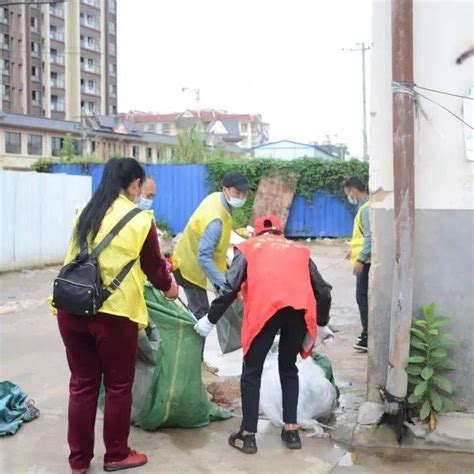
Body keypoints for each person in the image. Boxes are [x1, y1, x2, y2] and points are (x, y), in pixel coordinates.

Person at [56, 158, 179, 474]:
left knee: (82, 384)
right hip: (113, 313)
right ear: (134, 183)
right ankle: (116, 454)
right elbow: (154, 268)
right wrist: (170, 287)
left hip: (71, 307)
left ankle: (79, 461)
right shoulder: (139, 219)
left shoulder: (87, 212)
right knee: (118, 385)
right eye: (141, 186)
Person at [194, 215, 333, 454]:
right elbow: (323, 290)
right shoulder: (299, 250)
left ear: (256, 233)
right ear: (281, 232)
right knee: (288, 367)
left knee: (251, 371)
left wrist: (210, 319)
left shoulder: (248, 248)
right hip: (297, 312)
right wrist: (321, 322)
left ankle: (247, 436)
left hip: (265, 311)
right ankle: (291, 431)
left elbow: (230, 287)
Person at [172, 171, 250, 372]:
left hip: (197, 263)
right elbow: (204, 256)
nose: (240, 197)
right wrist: (224, 283)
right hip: (190, 268)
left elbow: (216, 246)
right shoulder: (215, 218)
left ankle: (196, 363)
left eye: (244, 193)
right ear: (225, 189)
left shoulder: (218, 200)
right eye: (237, 192)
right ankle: (195, 366)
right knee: (202, 318)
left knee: (210, 311)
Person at [344, 176, 371, 352]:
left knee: (362, 299)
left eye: (348, 194)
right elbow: (361, 236)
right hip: (364, 260)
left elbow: (370, 237)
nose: (349, 197)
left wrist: (360, 259)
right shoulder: (364, 207)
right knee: (362, 298)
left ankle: (368, 336)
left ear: (353, 190)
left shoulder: (366, 209)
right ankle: (366, 333)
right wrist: (352, 252)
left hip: (366, 263)